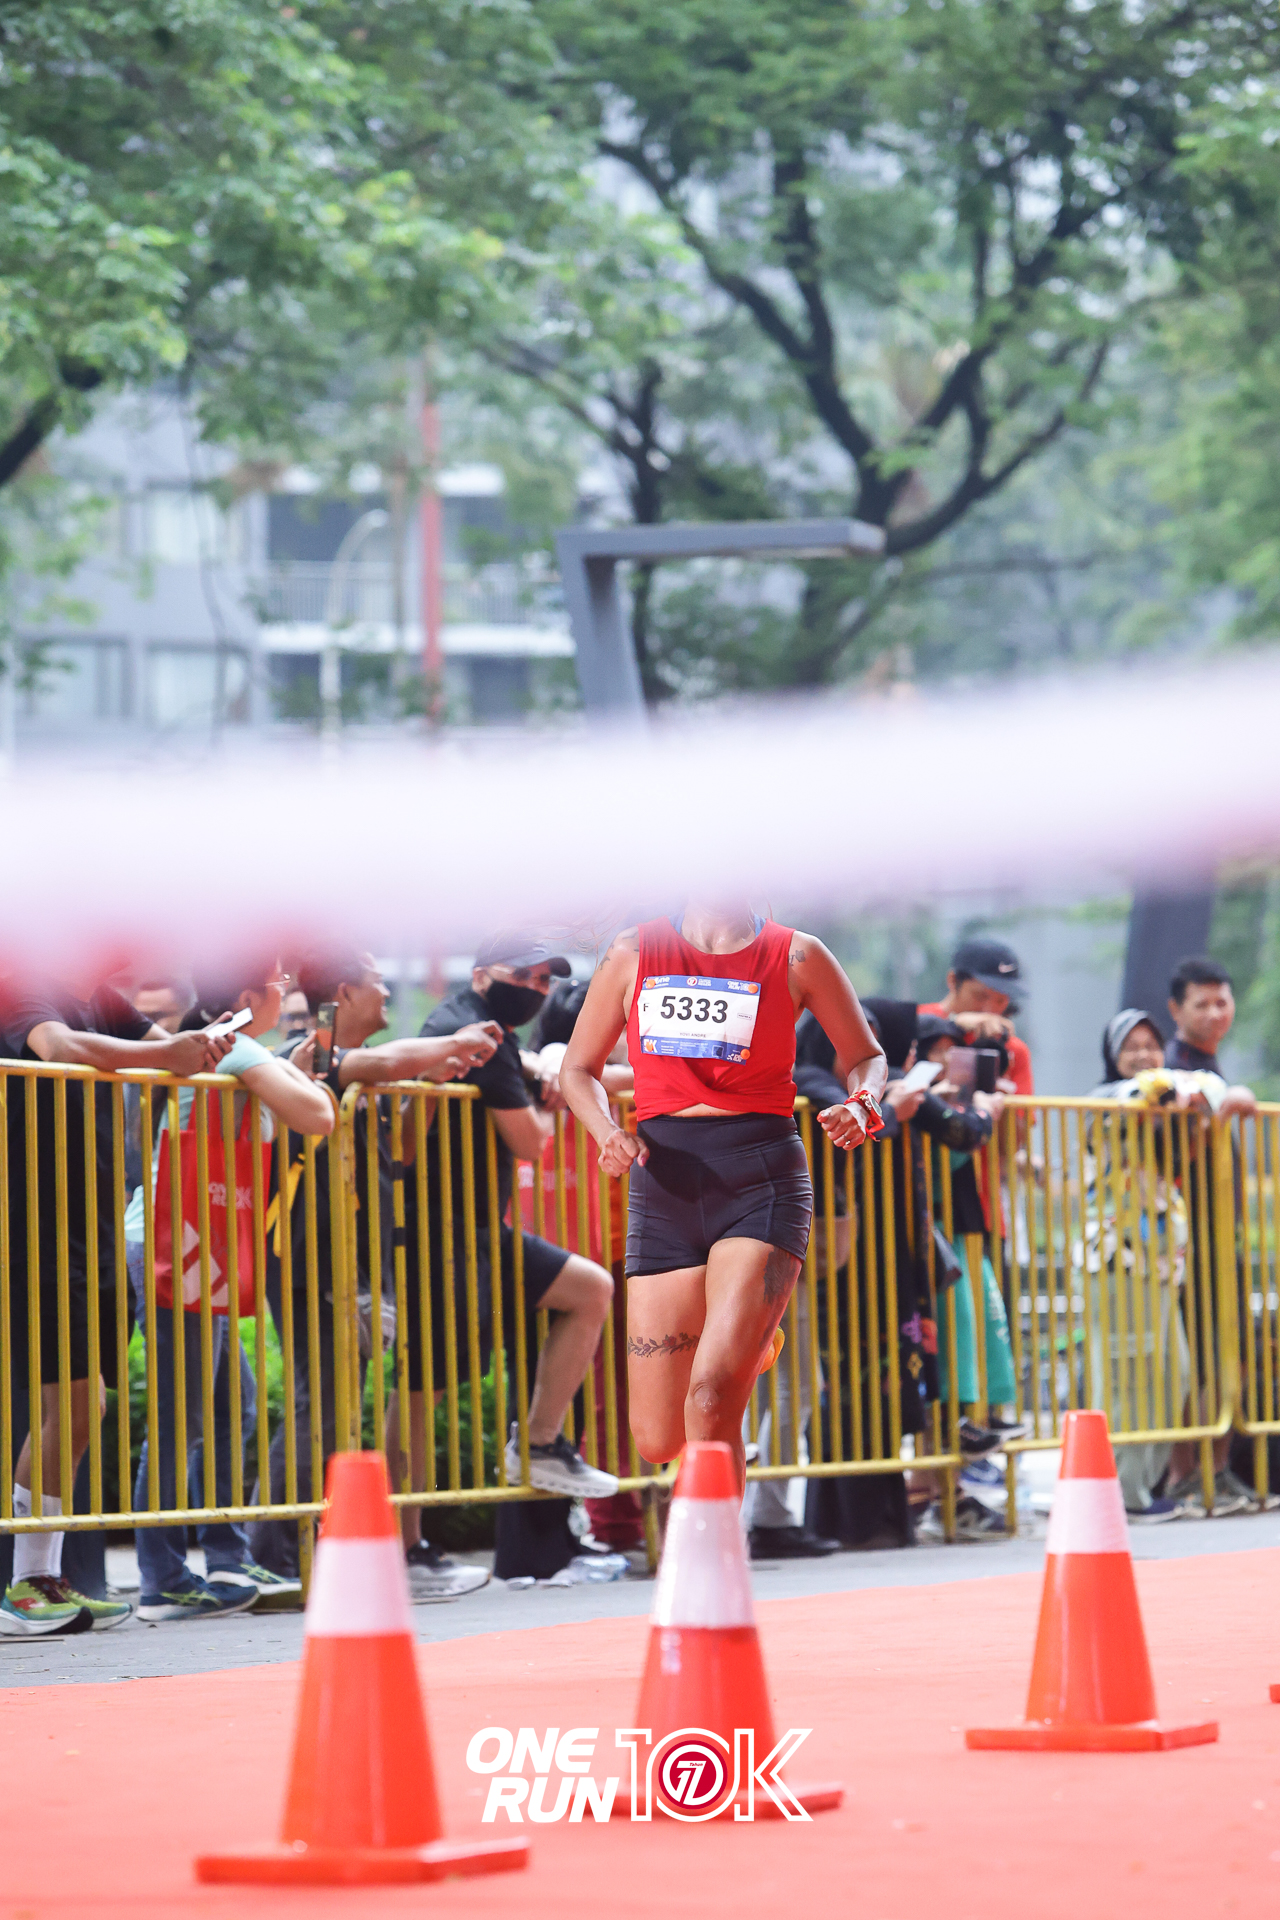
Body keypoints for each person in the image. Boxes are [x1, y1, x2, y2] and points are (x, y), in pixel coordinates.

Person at [561, 905, 886, 1495]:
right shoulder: (632, 950)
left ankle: (718, 1552)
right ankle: (753, 1340)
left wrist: (861, 1103)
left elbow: (867, 1057)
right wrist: (607, 1133)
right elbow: (578, 1069)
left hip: (760, 1178)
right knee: (658, 1438)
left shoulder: (798, 954)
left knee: (711, 1400)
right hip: (663, 1183)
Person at [248, 948, 503, 1600]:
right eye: (377, 981)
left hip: (357, 1259)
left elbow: (400, 1150)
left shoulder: (363, 1068)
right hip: (309, 1255)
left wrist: (434, 1083)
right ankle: (273, 1555)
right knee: (319, 1403)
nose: (388, 991)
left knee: (337, 1405)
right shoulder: (312, 1054)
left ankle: (298, 1550)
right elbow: (383, 1063)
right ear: (343, 993)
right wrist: (456, 1040)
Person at [0, 967, 234, 1636]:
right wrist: (168, 1054)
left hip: (96, 1224)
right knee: (71, 1403)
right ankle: (25, 1587)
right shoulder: (25, 978)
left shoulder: (99, 996)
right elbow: (59, 1046)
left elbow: (167, 1050)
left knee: (88, 1405)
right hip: (38, 1225)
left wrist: (206, 1047)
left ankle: (42, 1578)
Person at [395, 937, 619, 1591]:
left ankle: (541, 1443)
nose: (536, 989)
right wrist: (547, 1107)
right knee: (420, 1393)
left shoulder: (484, 1032)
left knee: (588, 1289)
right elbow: (529, 1143)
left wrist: (540, 1071)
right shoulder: (474, 1035)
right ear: (480, 976)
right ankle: (399, 1548)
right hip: (437, 1236)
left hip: (476, 1232)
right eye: (525, 976)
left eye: (546, 981)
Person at [124, 963, 335, 1621]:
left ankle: (224, 1558)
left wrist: (291, 1070)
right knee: (183, 1415)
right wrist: (299, 1076)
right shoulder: (236, 1047)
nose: (287, 990)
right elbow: (318, 1115)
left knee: (229, 1405)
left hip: (194, 1238)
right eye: (277, 982)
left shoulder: (236, 1049)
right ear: (247, 998)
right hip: (171, 1238)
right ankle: (163, 1578)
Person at [1080, 1009, 1198, 1522]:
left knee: (1174, 1372)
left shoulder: (1171, 1099)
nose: (1143, 1054)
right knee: (1126, 1373)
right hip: (1115, 1258)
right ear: (1113, 1054)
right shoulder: (1102, 1100)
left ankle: (1144, 1484)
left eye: (1151, 1045)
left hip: (1161, 1261)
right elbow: (1127, 1100)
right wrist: (1162, 1093)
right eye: (1132, 1046)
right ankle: (1123, 1492)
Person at [1162, 958, 1258, 1515]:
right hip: (1185, 1236)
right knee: (1193, 1355)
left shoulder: (1209, 1067)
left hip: (1222, 1235)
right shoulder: (1173, 1074)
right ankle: (1184, 1474)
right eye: (1203, 1003)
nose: (1215, 1013)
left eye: (1223, 1001)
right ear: (1176, 1009)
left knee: (1230, 1351)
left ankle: (1217, 1471)